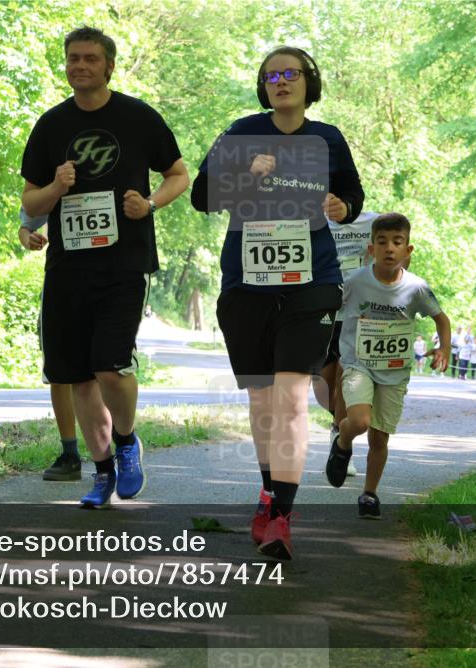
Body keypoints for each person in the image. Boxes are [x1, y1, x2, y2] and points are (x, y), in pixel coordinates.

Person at [191, 45, 364, 559]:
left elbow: (351, 197)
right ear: (262, 86)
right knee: (264, 400)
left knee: (291, 397)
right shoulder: (242, 133)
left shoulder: (327, 138)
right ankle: (268, 494)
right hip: (247, 281)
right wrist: (247, 176)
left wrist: (341, 205)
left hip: (312, 281)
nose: (280, 82)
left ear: (309, 82)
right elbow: (203, 196)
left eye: (290, 74)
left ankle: (282, 518)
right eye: (271, 76)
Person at [20, 26, 189, 507]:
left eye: (90, 58)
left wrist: (151, 204)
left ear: (109, 65)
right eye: (73, 58)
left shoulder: (138, 117)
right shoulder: (51, 125)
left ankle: (127, 441)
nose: (80, 66)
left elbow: (179, 174)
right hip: (68, 267)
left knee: (110, 367)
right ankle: (101, 472)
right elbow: (30, 199)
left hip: (124, 262)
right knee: (76, 376)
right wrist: (54, 189)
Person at [326, 213, 450, 518]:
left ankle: (369, 495)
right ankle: (342, 443)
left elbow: (441, 318)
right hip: (358, 365)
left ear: (408, 250)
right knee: (360, 421)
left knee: (379, 436)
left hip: (394, 372)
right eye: (382, 242)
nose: (389, 249)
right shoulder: (355, 282)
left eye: (397, 242)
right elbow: (329, 307)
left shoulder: (416, 288)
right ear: (371, 249)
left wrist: (443, 347)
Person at [18, 208, 82, 480]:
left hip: (113, 277)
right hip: (62, 276)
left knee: (108, 369)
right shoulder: (57, 168)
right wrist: (27, 236)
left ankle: (119, 446)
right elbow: (27, 222)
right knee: (59, 369)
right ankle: (70, 454)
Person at [317, 210, 378, 477]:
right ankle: (337, 422)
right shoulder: (311, 221)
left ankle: (342, 441)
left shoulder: (372, 222)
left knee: (345, 375)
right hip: (322, 310)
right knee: (324, 388)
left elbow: (400, 255)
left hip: (355, 314)